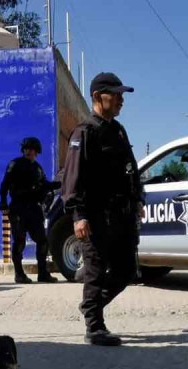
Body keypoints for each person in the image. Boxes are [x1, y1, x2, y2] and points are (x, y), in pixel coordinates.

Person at [62, 72, 144, 346]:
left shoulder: (118, 130)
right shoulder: (85, 132)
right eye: (116, 94)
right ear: (98, 97)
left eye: (122, 95)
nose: (121, 100)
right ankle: (94, 328)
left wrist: (138, 199)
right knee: (95, 271)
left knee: (126, 270)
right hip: (95, 216)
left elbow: (131, 169)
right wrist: (78, 215)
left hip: (121, 215)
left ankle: (91, 306)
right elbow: (72, 177)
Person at [0, 137, 60, 284]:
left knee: (42, 241)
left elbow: (45, 185)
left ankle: (43, 273)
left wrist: (60, 184)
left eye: (31, 149)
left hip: (33, 208)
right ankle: (19, 274)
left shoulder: (37, 168)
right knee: (19, 241)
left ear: (36, 151)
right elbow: (4, 185)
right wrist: (3, 203)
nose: (28, 151)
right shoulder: (15, 164)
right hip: (18, 208)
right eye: (26, 148)